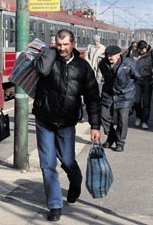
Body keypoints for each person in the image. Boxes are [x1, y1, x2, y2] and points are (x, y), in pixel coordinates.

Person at [33, 29, 101, 222]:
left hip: (67, 122)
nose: (62, 49)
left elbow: (93, 98)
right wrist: (50, 51)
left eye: (65, 45)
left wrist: (95, 125)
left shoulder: (82, 67)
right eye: (59, 44)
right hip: (44, 119)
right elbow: (42, 70)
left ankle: (75, 181)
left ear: (74, 43)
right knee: (47, 164)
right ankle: (55, 205)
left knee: (68, 161)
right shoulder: (49, 59)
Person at [99, 44, 141, 152]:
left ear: (118, 55)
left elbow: (137, 76)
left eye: (111, 55)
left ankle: (120, 142)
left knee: (122, 119)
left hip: (125, 95)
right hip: (109, 93)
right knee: (104, 115)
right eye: (107, 55)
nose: (109, 57)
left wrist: (127, 86)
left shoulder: (129, 63)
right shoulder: (103, 63)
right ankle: (111, 136)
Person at [133, 40, 153, 129]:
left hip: (147, 80)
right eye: (139, 49)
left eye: (142, 49)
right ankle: (138, 116)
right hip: (136, 80)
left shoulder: (151, 54)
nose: (141, 51)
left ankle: (145, 120)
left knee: (146, 102)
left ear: (146, 47)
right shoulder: (133, 53)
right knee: (136, 101)